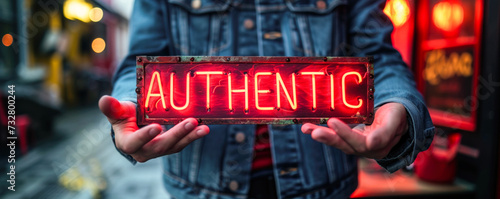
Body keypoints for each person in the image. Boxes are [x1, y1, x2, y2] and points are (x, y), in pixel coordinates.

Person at [98, 0, 435, 198]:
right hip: (200, 187)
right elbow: (143, 61)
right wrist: (133, 104)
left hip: (323, 187)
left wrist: (396, 104)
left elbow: (377, 56)